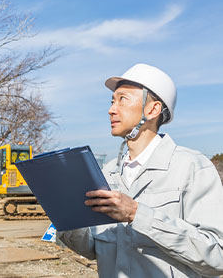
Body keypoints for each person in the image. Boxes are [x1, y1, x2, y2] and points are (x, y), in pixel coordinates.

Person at [58, 63, 223, 277]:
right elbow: (91, 249)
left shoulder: (192, 167)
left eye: (122, 100)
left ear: (153, 109)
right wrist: (67, 219)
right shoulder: (107, 174)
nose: (111, 109)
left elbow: (217, 256)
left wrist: (138, 214)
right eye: (112, 101)